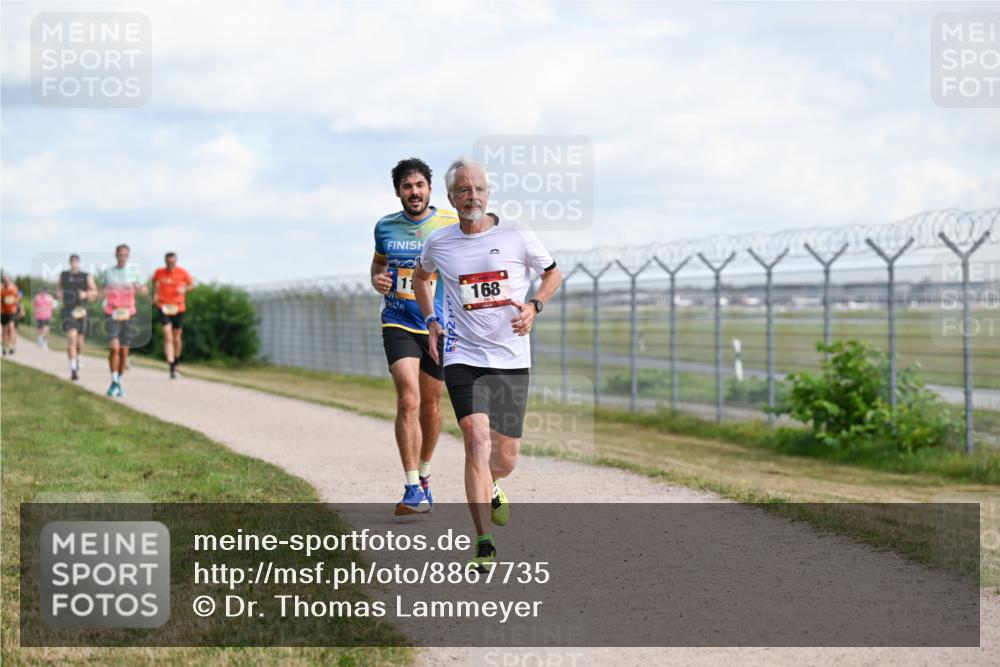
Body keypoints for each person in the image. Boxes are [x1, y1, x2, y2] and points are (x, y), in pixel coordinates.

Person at [413, 158, 562, 570]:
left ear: (488, 193)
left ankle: (492, 483)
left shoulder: (516, 234)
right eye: (463, 190)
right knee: (475, 440)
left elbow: (553, 274)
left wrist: (534, 306)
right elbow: (421, 279)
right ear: (451, 198)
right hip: (463, 355)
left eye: (478, 188)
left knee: (506, 456)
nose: (472, 196)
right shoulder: (439, 243)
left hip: (511, 357)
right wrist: (430, 321)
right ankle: (483, 539)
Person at [371, 158, 459, 518]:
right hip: (398, 321)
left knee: (431, 405)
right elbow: (378, 265)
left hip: (437, 327)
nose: (414, 192)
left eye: (419, 185)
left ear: (429, 189)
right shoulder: (385, 227)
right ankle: (410, 486)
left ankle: (424, 474)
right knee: (408, 398)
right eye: (407, 187)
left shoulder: (450, 224)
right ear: (398, 192)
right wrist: (377, 278)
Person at [99, 244, 147, 397]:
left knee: (124, 352)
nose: (122, 257)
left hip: (128, 313)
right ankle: (114, 381)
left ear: (128, 256)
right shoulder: (108, 272)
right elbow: (100, 291)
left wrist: (138, 288)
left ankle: (118, 381)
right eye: (120, 254)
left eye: (125, 254)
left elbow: (144, 291)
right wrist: (100, 294)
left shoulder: (134, 272)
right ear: (116, 255)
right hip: (111, 312)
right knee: (114, 347)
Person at [152, 252, 195, 379]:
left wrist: (185, 289)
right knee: (167, 334)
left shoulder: (182, 272)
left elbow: (192, 284)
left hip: (178, 307)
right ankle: (171, 366)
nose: (170, 263)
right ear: (165, 262)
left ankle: (176, 361)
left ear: (176, 261)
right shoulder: (159, 272)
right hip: (163, 306)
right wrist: (155, 296)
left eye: (172, 262)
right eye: (168, 262)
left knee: (177, 337)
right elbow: (155, 285)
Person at [57, 254, 97, 381]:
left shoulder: (86, 276)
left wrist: (86, 294)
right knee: (72, 338)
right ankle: (73, 369)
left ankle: (78, 357)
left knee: (79, 342)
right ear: (70, 262)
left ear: (79, 263)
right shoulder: (63, 275)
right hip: (68, 310)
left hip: (81, 311)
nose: (74, 263)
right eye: (72, 261)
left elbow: (95, 292)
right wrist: (60, 295)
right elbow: (58, 287)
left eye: (76, 261)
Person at [1, 274, 23, 355]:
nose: (6, 282)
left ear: (10, 280)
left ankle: (11, 346)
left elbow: (18, 298)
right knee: (4, 331)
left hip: (12, 312)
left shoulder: (14, 288)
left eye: (7, 280)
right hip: (3, 312)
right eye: (4, 280)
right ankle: (4, 347)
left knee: (11, 326)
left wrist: (20, 309)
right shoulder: (1, 289)